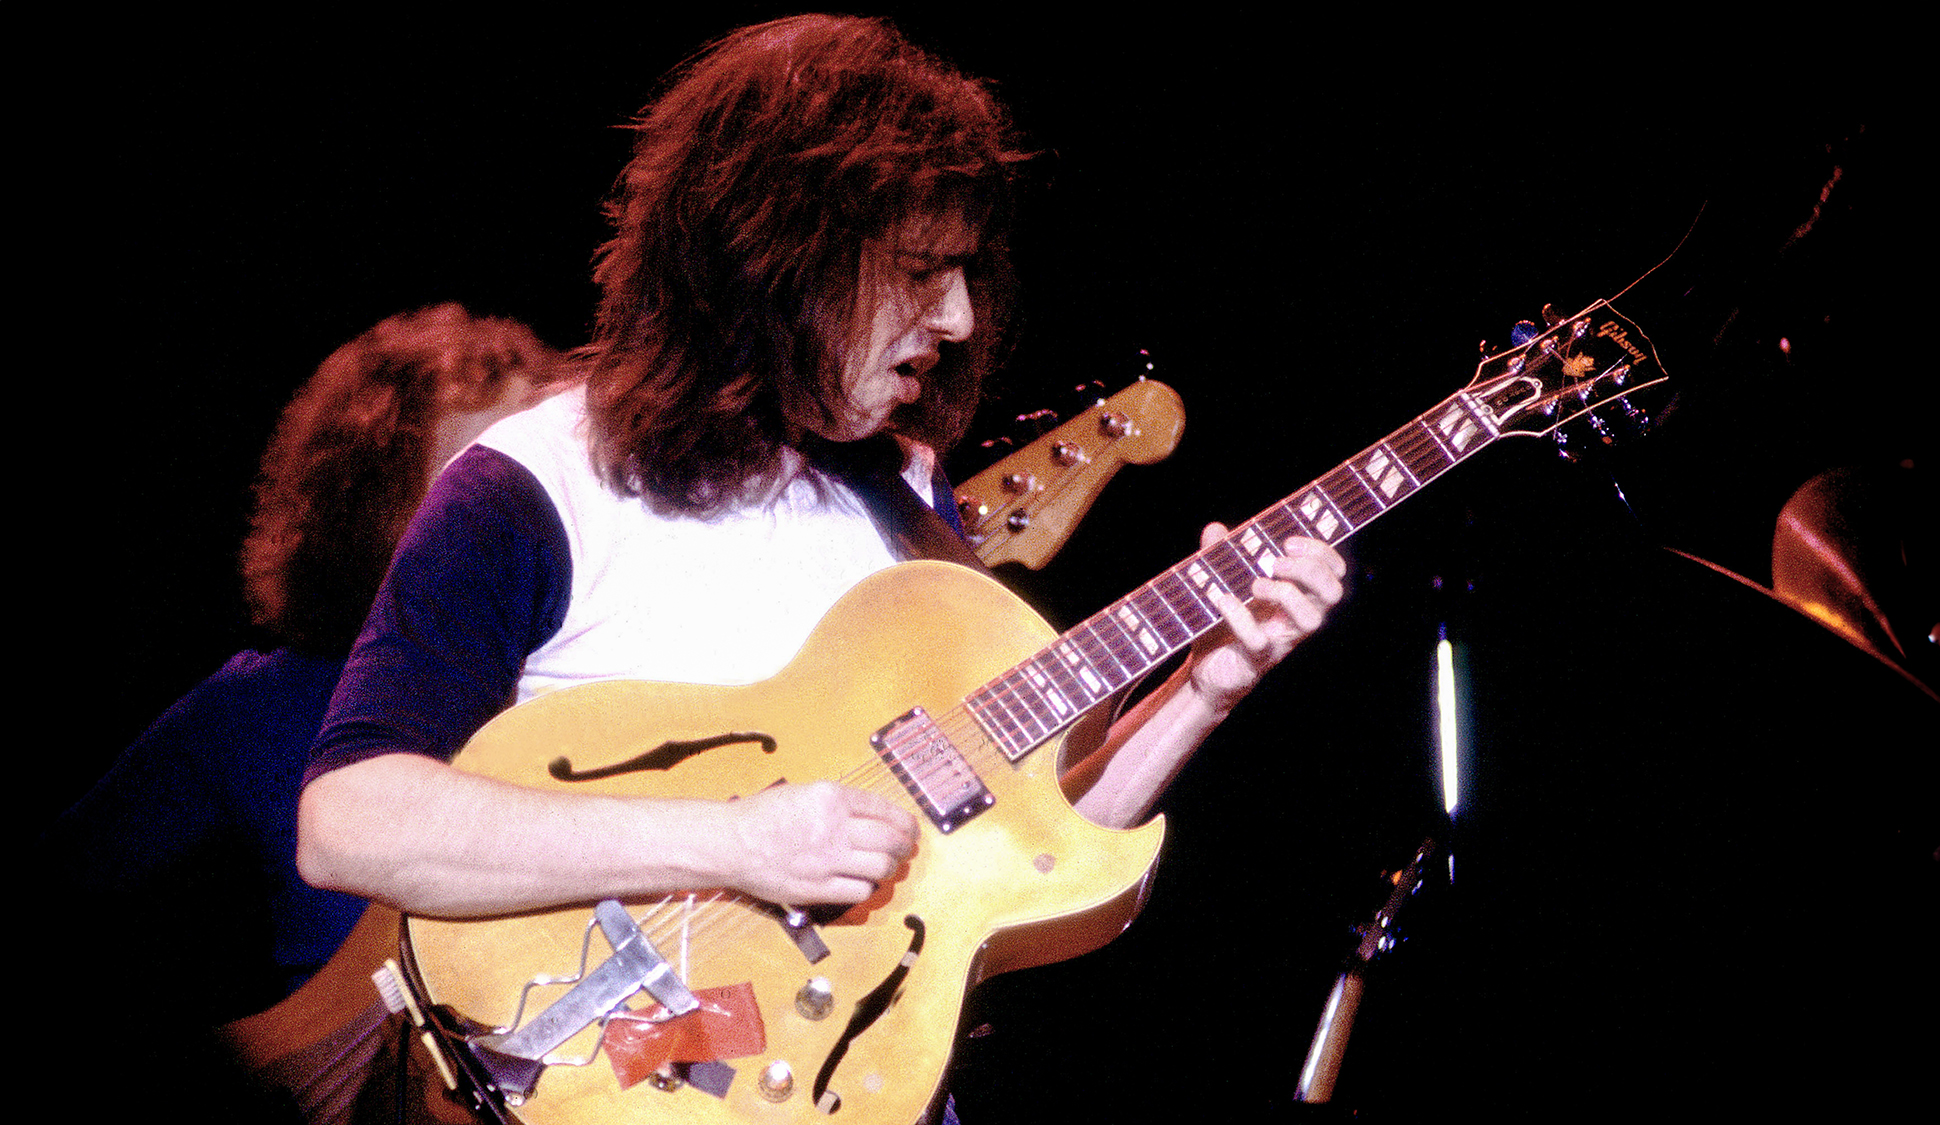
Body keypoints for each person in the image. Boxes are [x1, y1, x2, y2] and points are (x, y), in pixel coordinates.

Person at [296, 14, 1345, 1115]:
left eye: (966, 274)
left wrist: (1204, 688)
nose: (957, 316)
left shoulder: (902, 496)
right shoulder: (535, 483)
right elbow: (348, 821)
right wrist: (738, 841)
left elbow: (1009, 872)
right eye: (922, 270)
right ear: (783, 255)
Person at [43, 304, 565, 1066]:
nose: (531, 507)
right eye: (481, 479)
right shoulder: (261, 706)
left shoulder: (623, 670)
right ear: (373, 510)